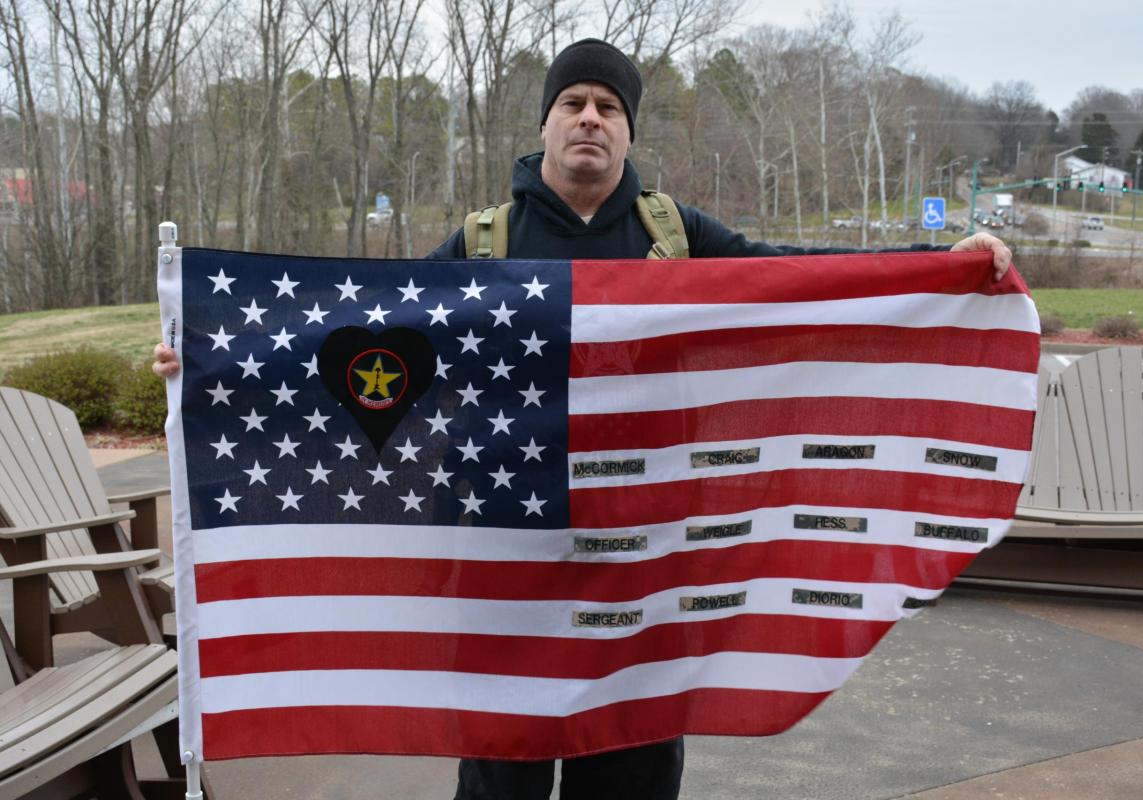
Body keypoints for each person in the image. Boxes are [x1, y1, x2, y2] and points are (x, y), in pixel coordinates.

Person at [151, 38, 1011, 800]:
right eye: (573, 102)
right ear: (546, 124)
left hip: (643, 549)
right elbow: (372, 339)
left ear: (629, 132)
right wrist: (221, 361)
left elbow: (797, 285)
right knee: (503, 765)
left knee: (633, 754)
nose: (590, 118)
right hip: (503, 547)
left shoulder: (676, 235)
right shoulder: (483, 243)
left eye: (608, 106)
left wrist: (938, 267)